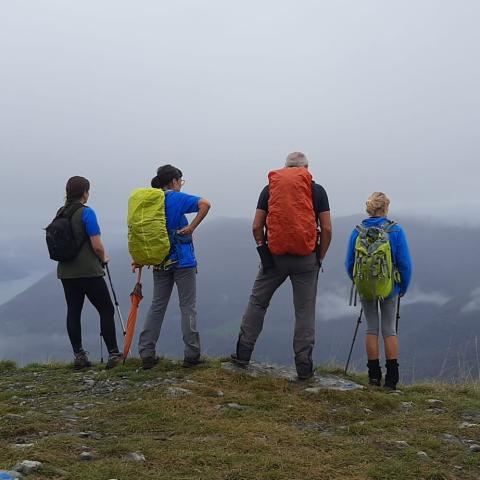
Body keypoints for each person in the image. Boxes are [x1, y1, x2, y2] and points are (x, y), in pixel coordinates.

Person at [231, 152, 332, 380]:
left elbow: (257, 226)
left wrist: (263, 250)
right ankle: (304, 367)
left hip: (274, 257)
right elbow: (326, 229)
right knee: (304, 312)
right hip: (306, 258)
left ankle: (242, 354)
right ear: (306, 169)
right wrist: (319, 257)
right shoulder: (317, 190)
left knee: (258, 302)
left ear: (285, 168)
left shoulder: (270, 189)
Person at [136, 165, 211, 369]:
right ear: (174, 181)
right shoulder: (176, 198)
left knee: (157, 306)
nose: (181, 184)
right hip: (183, 260)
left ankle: (146, 352)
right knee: (187, 306)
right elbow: (205, 204)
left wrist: (141, 257)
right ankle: (192, 354)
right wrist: (192, 226)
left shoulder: (151, 201)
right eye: (180, 181)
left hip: (159, 260)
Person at [345, 192, 412, 390]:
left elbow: (350, 262)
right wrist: (403, 287)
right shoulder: (395, 230)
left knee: (371, 328)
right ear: (385, 208)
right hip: (390, 287)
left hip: (365, 285)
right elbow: (405, 263)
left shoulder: (357, 231)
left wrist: (358, 281)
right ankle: (391, 379)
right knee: (389, 329)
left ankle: (373, 376)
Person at [56, 176, 123, 369]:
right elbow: (96, 244)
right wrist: (104, 258)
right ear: (84, 192)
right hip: (89, 272)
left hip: (66, 272)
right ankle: (113, 354)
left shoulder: (60, 213)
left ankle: (79, 356)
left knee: (73, 312)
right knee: (106, 309)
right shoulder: (87, 213)